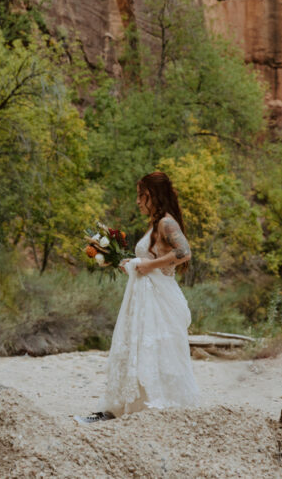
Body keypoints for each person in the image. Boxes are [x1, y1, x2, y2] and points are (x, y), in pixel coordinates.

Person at [76, 171, 200, 423]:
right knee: (140, 348)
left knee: (156, 348)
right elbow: (153, 258)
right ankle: (133, 405)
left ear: (153, 196)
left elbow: (184, 252)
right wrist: (131, 263)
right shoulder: (156, 225)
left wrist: (148, 266)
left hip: (159, 299)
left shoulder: (166, 222)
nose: (138, 201)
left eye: (141, 196)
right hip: (147, 298)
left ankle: (156, 407)